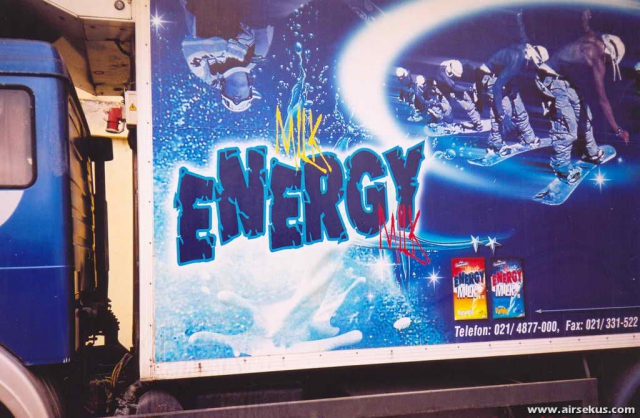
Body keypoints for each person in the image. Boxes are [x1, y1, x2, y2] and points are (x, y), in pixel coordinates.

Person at [535, 10, 629, 183]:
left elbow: (585, 25)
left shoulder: (593, 37)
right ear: (608, 52)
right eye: (610, 60)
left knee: (585, 114)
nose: (608, 63)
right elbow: (603, 100)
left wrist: (585, 15)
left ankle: (591, 152)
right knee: (567, 123)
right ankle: (561, 168)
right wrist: (618, 130)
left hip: (565, 79)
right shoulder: (597, 60)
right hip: (548, 77)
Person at [180, 0, 274, 112]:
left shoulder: (209, 74)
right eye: (242, 100)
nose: (236, 100)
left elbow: (189, 47)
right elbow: (263, 18)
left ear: (223, 90)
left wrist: (228, 49)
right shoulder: (258, 55)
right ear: (250, 89)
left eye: (232, 100)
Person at [478, 43, 548, 155]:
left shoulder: (526, 52)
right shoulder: (517, 59)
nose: (536, 65)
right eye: (537, 61)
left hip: (506, 77)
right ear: (532, 54)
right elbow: (497, 87)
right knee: (504, 112)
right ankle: (495, 144)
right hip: (492, 78)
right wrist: (500, 112)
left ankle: (528, 138)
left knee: (519, 109)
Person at [435, 60, 483, 131]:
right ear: (450, 71)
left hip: (452, 85)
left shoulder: (456, 64)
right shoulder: (442, 72)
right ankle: (445, 123)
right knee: (447, 109)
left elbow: (467, 62)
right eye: (455, 75)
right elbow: (454, 87)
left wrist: (476, 70)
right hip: (443, 89)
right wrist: (469, 89)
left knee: (468, 104)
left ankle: (478, 123)